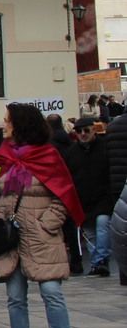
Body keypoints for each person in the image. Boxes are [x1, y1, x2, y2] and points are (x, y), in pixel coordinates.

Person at [0, 102, 87, 328]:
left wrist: (46, 223)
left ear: (21, 124)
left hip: (42, 238)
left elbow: (63, 196)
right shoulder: (1, 157)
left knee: (52, 293)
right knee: (15, 297)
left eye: (8, 120)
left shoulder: (48, 156)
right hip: (10, 238)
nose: (3, 125)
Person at [66, 118, 113, 277]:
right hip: (83, 198)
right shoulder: (72, 151)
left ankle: (101, 260)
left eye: (86, 130)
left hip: (103, 196)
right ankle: (97, 262)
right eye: (79, 131)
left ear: (94, 130)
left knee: (102, 224)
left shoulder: (105, 147)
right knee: (90, 233)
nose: (82, 134)